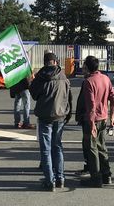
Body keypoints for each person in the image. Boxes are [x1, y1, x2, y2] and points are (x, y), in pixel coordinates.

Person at [29, 52, 73, 191]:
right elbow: (68, 96)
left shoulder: (40, 77)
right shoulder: (63, 76)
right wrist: (67, 113)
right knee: (57, 147)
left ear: (45, 62)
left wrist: (31, 82)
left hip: (44, 115)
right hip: (60, 115)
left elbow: (35, 95)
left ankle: (50, 180)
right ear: (55, 62)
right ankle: (60, 178)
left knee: (46, 149)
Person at [80, 55, 114, 188]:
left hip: (93, 119)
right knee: (102, 146)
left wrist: (91, 124)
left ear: (87, 67)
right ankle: (107, 175)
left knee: (92, 148)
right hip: (104, 117)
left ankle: (96, 178)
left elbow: (90, 106)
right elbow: (113, 98)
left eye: (84, 65)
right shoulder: (106, 78)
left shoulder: (89, 81)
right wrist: (112, 116)